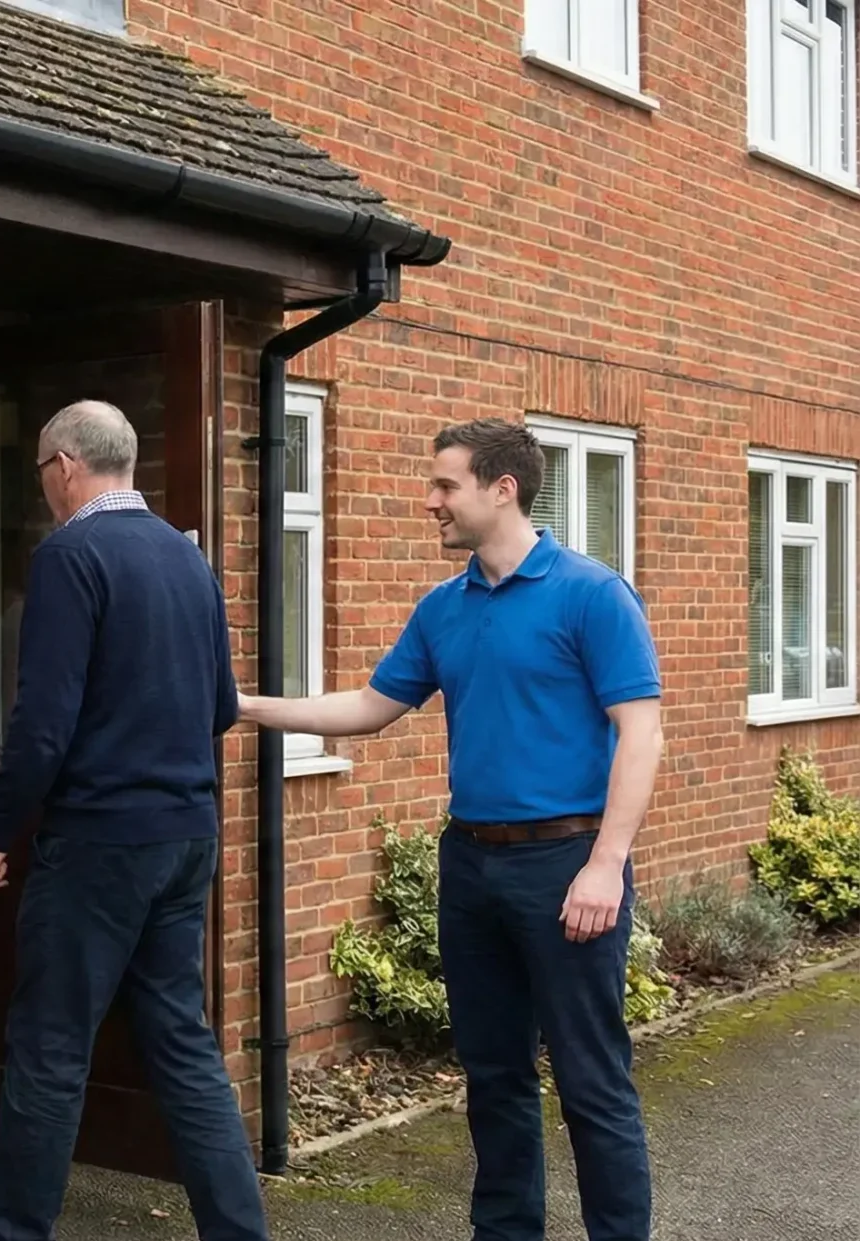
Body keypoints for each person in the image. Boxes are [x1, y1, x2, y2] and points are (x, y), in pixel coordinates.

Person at [236, 417, 661, 1241]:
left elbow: (640, 731)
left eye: (445, 485)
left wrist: (606, 863)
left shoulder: (591, 593)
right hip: (470, 864)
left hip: (568, 864)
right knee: (493, 1073)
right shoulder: (443, 607)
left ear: (502, 489)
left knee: (591, 1080)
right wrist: (246, 705)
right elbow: (368, 707)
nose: (429, 501)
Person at [0, 400, 267, 1241]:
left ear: (64, 464)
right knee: (182, 1041)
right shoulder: (186, 558)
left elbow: (43, 723)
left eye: (40, 472)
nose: (43, 487)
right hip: (186, 836)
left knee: (51, 1045)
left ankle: (14, 1233)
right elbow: (219, 704)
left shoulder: (70, 556)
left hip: (100, 841)